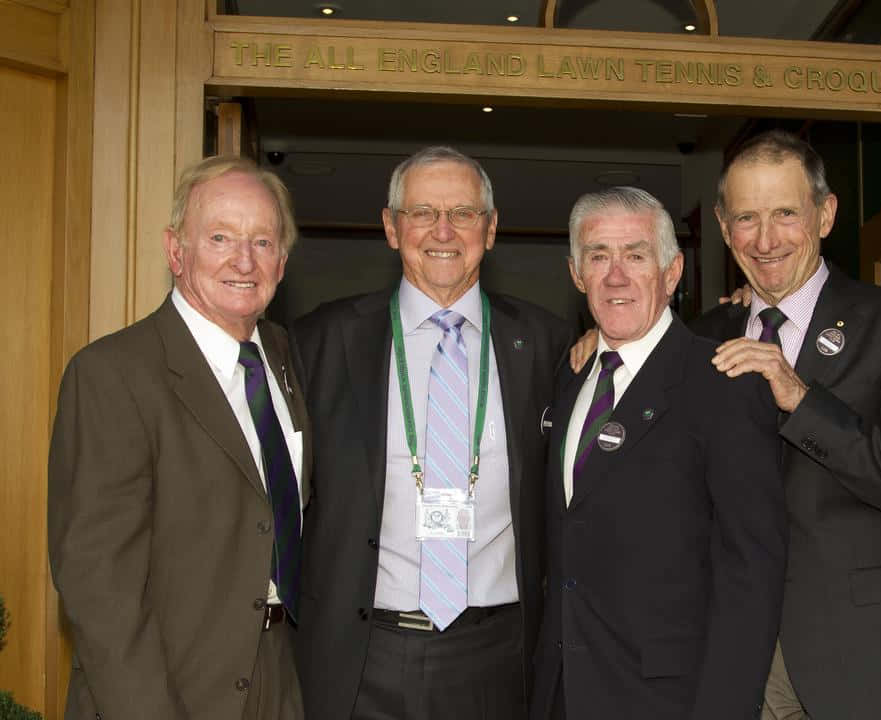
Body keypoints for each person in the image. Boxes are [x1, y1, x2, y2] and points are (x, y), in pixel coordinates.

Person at [291, 146, 573, 719]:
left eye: (464, 213)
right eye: (422, 212)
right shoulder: (318, 341)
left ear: (490, 230)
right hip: (364, 653)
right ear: (391, 228)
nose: (443, 230)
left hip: (500, 655)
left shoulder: (549, 344)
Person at [49, 155, 308, 719]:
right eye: (220, 237)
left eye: (263, 242)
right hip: (162, 691)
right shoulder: (113, 373)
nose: (244, 259)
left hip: (278, 679)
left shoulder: (287, 359)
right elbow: (99, 590)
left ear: (282, 263)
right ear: (175, 251)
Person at [696, 130, 881, 719]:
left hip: (861, 663)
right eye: (747, 218)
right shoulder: (697, 341)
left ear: (825, 215)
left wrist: (801, 398)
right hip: (734, 660)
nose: (766, 239)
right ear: (724, 229)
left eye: (786, 213)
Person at [529, 187, 787, 720]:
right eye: (598, 256)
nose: (616, 275)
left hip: (669, 699)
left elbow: (751, 571)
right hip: (562, 692)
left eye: (636, 255)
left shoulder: (724, 383)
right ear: (577, 275)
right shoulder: (569, 375)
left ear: (671, 273)